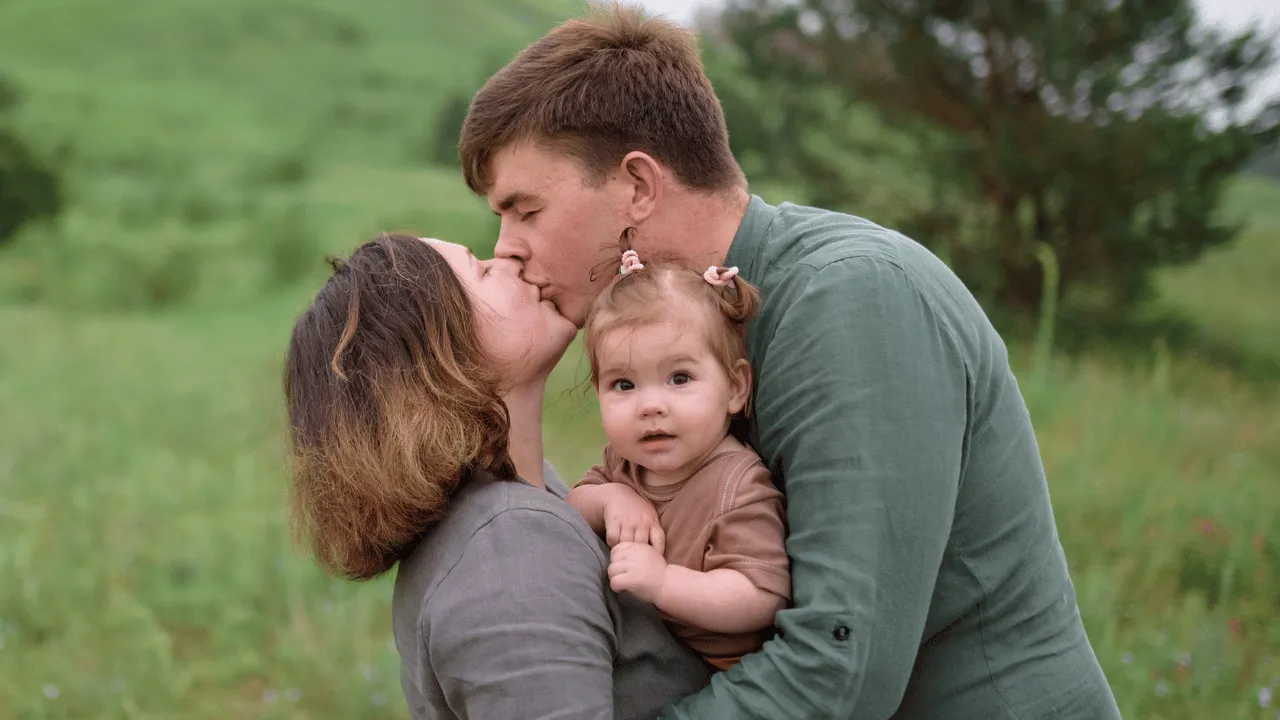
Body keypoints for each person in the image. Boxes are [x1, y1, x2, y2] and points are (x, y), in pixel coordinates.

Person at [459, 5, 1123, 719]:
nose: (507, 248)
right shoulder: (675, 344)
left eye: (525, 210)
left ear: (638, 187)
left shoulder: (853, 298)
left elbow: (838, 668)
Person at [283, 233, 711, 719]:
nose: (508, 257)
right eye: (483, 271)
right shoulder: (508, 547)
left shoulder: (524, 501)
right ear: (437, 357)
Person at [566, 249, 790, 672]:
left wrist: (664, 582)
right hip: (646, 649)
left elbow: (760, 596)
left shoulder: (736, 485)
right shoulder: (624, 466)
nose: (651, 405)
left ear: (735, 387)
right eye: (624, 384)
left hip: (720, 672)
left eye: (679, 378)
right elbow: (572, 511)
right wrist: (611, 498)